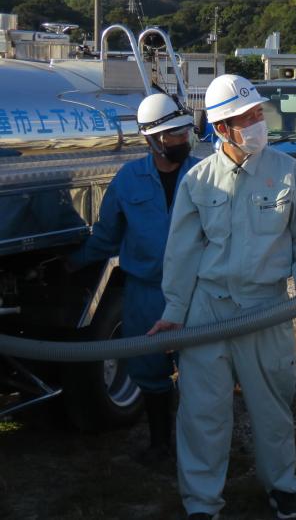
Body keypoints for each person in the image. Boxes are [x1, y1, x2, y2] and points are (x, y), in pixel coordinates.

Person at [148, 74, 296, 520]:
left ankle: (283, 487)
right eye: (244, 117)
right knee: (202, 413)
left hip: (267, 307)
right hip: (207, 309)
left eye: (257, 114)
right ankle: (202, 503)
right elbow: (182, 253)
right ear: (221, 128)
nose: (256, 123)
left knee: (272, 406)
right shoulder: (199, 180)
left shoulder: (289, 172)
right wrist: (175, 312)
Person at [69, 93, 198, 462]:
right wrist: (73, 263)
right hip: (146, 295)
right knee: (150, 372)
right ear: (152, 140)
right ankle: (160, 445)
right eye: (172, 135)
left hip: (197, 292)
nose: (181, 141)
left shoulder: (204, 174)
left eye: (184, 132)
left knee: (200, 373)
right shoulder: (128, 181)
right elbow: (106, 238)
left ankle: (198, 450)